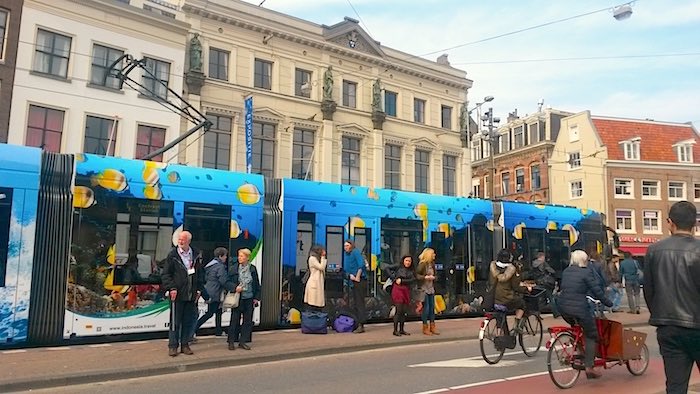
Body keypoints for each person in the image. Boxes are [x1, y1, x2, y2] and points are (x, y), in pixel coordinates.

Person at [644, 201, 700, 394]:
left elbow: (649, 290)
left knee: (676, 384)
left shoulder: (653, 251)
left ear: (670, 222)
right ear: (695, 223)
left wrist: (660, 314)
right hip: (698, 325)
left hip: (668, 326)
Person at [557, 250, 613, 379]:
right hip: (579, 308)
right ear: (584, 260)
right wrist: (608, 303)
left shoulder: (566, 271)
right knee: (592, 334)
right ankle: (589, 367)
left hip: (563, 307)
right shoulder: (585, 272)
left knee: (576, 329)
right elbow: (596, 290)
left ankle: (579, 351)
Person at [161, 231, 202, 357]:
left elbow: (200, 274)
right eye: (179, 239)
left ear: (189, 241)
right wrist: (172, 288)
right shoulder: (172, 255)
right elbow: (166, 274)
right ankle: (173, 346)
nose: (180, 241)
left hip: (191, 294)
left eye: (183, 239)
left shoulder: (196, 254)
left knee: (188, 321)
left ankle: (185, 345)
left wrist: (199, 289)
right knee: (175, 322)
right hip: (177, 294)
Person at [227, 248, 261, 351]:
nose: (239, 258)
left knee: (247, 321)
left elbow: (256, 284)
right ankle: (231, 342)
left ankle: (243, 341)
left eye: (242, 256)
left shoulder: (253, 269)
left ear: (247, 257)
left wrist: (256, 297)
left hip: (249, 298)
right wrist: (234, 288)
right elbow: (227, 282)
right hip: (238, 298)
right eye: (239, 256)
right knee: (234, 320)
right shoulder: (233, 269)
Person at [489, 249, 530, 334]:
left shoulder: (493, 268)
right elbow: (516, 286)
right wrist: (526, 289)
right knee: (521, 304)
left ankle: (498, 335)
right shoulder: (512, 269)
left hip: (494, 299)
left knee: (500, 318)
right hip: (506, 299)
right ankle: (517, 325)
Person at [195, 247, 228, 336]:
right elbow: (223, 280)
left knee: (218, 311)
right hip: (215, 291)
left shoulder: (210, 265)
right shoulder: (220, 267)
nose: (226, 258)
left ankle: (218, 330)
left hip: (208, 289)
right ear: (220, 256)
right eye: (225, 256)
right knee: (210, 313)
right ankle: (193, 329)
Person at [343, 240, 367, 333]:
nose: (346, 247)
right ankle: (357, 323)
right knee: (355, 303)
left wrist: (357, 277)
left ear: (351, 246)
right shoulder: (347, 255)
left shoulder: (355, 252)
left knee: (359, 303)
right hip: (352, 281)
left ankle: (361, 325)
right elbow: (346, 269)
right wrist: (350, 276)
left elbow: (361, 264)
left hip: (359, 281)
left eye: (347, 245)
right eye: (345, 246)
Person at [416, 248, 439, 336]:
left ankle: (432, 326)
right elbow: (417, 275)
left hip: (431, 288)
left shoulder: (432, 264)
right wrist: (425, 277)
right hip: (424, 289)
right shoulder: (422, 265)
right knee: (426, 308)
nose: (434, 255)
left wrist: (434, 278)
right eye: (433, 254)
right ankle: (425, 327)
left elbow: (436, 275)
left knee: (432, 308)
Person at [391, 255, 416, 336]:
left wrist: (402, 281)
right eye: (406, 260)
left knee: (403, 311)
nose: (408, 262)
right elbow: (386, 268)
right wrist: (393, 278)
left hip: (406, 290)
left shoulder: (411, 270)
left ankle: (401, 329)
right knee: (399, 310)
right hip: (398, 289)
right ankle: (395, 330)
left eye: (409, 261)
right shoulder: (398, 266)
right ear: (403, 261)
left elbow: (412, 280)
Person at [303, 245, 327, 311]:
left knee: (318, 304)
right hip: (314, 283)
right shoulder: (312, 259)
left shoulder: (317, 259)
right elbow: (321, 267)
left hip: (318, 283)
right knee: (313, 302)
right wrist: (323, 257)